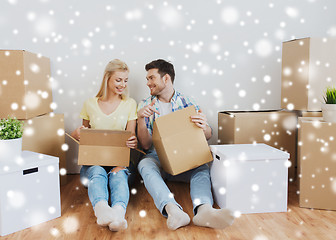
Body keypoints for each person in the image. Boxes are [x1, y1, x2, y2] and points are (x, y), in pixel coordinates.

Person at [137, 59, 235, 230]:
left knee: (202, 167)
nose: (148, 83)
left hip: (183, 157)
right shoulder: (145, 105)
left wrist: (204, 127)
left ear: (166, 78)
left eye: (151, 78)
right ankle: (173, 210)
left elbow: (208, 135)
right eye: (147, 79)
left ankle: (204, 210)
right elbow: (145, 145)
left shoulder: (188, 103)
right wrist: (140, 120)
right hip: (158, 158)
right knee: (144, 164)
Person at [72, 59, 137, 232]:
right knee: (97, 171)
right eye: (118, 80)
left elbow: (132, 138)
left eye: (125, 80)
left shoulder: (130, 104)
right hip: (93, 165)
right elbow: (81, 137)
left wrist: (133, 142)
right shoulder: (90, 103)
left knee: (119, 175)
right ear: (107, 78)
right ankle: (101, 211)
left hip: (119, 163)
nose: (123, 84)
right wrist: (77, 133)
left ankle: (118, 215)